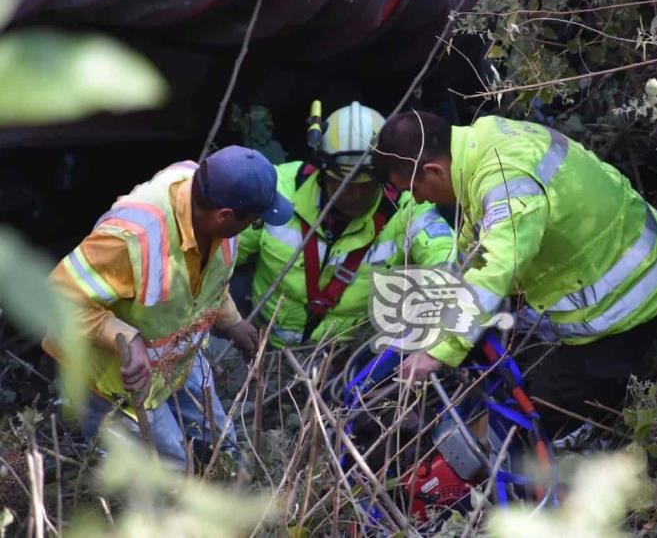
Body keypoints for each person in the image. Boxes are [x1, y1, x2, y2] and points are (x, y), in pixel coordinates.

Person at [372, 111, 657, 437]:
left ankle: (589, 442)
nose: (416, 199)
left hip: (637, 296)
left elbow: (495, 268)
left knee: (535, 413)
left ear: (434, 171)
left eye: (412, 188)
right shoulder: (485, 140)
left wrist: (438, 352)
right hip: (630, 254)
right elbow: (480, 240)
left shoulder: (507, 180)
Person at [43, 146, 293, 467]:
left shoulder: (211, 198)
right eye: (254, 222)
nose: (252, 228)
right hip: (115, 382)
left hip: (177, 361)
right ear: (225, 216)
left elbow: (207, 280)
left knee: (223, 443)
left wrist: (231, 321)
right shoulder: (131, 238)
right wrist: (123, 336)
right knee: (172, 470)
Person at [236, 102, 456, 346]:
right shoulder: (279, 191)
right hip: (259, 346)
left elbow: (446, 258)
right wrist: (229, 321)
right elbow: (221, 254)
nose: (353, 194)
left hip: (340, 366)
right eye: (340, 182)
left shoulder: (407, 210)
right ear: (320, 170)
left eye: (365, 185)